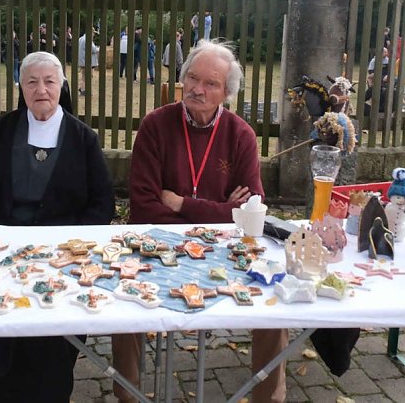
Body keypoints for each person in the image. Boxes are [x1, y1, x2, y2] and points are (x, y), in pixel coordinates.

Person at [0, 51, 115, 403]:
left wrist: (69, 244)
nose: (41, 90)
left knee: (47, 334)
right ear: (21, 87)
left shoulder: (83, 139)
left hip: (59, 258)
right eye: (32, 81)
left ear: (62, 86)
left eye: (49, 81)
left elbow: (102, 203)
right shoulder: (0, 131)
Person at [112, 39, 288, 403]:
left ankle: (269, 398)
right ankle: (126, 394)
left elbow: (251, 211)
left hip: (224, 249)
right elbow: (144, 207)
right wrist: (221, 210)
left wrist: (181, 203)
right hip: (156, 245)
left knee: (274, 304)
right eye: (192, 78)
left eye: (210, 83)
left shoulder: (240, 135)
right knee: (123, 300)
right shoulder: (155, 126)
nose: (197, 89)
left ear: (227, 92)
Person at [77, 28, 99, 95]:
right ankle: (84, 90)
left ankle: (82, 88)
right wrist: (98, 48)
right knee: (88, 76)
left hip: (82, 60)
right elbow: (93, 50)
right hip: (87, 61)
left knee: (84, 76)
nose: (94, 35)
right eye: (93, 33)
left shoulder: (80, 38)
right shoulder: (88, 39)